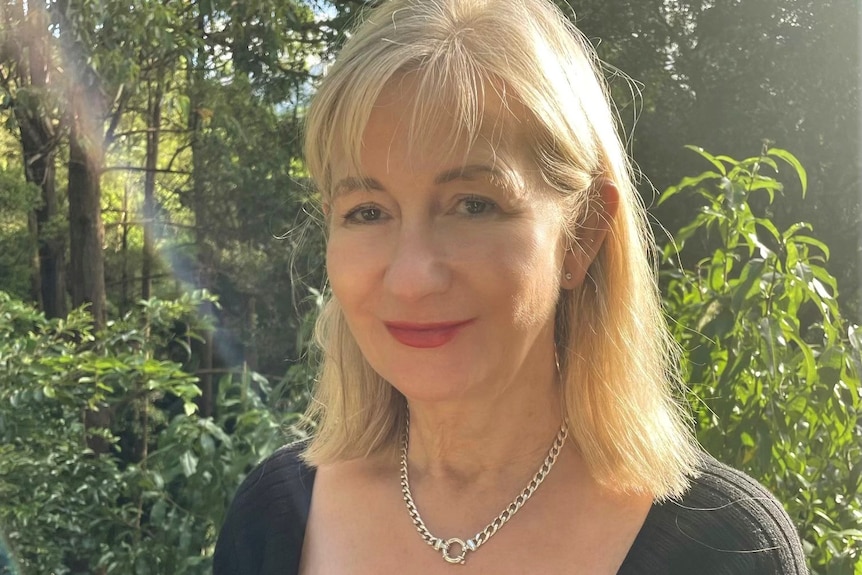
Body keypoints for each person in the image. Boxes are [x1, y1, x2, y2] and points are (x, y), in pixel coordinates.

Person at [214, 0, 807, 573]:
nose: (413, 277)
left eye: (473, 205)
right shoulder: (274, 517)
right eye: (367, 212)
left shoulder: (724, 549)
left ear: (583, 235)